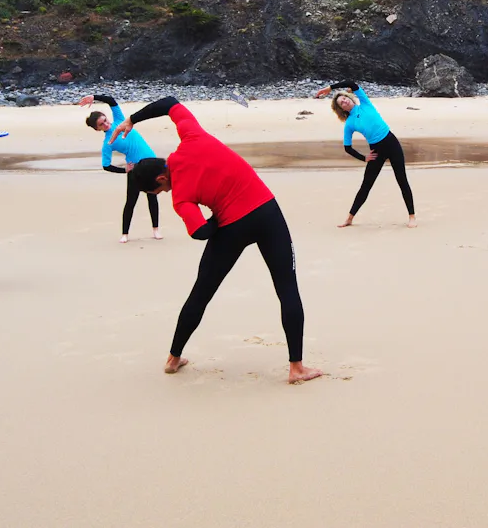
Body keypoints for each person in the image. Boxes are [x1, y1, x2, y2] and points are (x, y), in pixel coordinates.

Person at [112, 94, 322, 384]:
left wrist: (216, 221)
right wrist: (131, 120)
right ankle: (296, 368)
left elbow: (199, 231)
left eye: (158, 191)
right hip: (266, 213)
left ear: (161, 179)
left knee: (201, 293)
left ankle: (173, 359)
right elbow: (169, 103)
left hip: (230, 227)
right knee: (286, 287)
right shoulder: (192, 136)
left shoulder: (181, 197)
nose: (164, 194)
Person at [313, 80, 417, 228]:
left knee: (402, 180)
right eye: (341, 103)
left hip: (391, 143)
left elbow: (351, 83)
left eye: (345, 98)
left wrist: (329, 88)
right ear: (342, 109)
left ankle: (412, 217)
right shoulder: (349, 123)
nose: (344, 101)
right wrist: (364, 158)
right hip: (376, 151)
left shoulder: (365, 103)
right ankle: (349, 218)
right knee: (366, 185)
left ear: (350, 98)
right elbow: (347, 148)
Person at [77, 93, 162, 243]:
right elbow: (106, 165)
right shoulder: (108, 143)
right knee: (131, 202)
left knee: (152, 197)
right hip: (136, 169)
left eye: (105, 120)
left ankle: (156, 230)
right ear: (97, 129)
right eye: (101, 125)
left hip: (151, 163)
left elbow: (111, 100)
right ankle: (125, 234)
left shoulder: (119, 121)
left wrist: (94, 97)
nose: (106, 124)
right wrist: (125, 170)